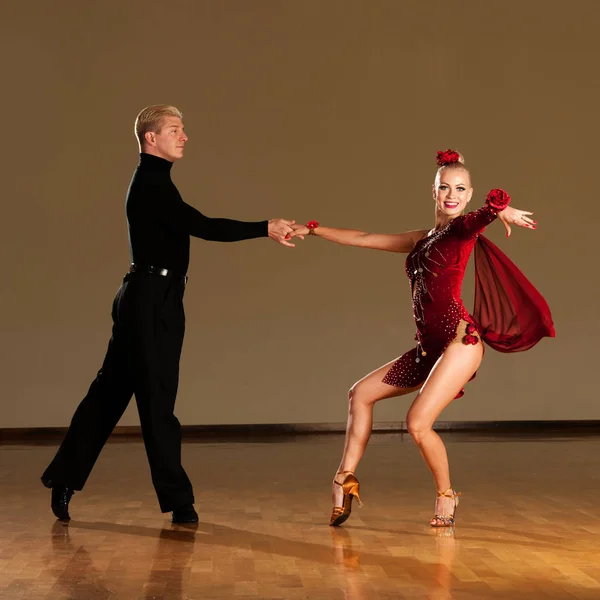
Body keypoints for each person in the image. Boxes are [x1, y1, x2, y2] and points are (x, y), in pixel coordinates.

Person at [41, 105, 297, 523]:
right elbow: (201, 224)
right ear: (151, 139)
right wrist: (264, 226)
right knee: (155, 400)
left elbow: (189, 224)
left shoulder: (155, 182)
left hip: (145, 297)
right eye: (175, 130)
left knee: (108, 395)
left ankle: (64, 480)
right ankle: (179, 502)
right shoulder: (151, 185)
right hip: (151, 300)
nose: (184, 136)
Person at [288, 150, 554, 527]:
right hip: (428, 349)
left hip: (461, 342)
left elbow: (482, 216)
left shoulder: (462, 230)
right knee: (360, 394)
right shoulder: (420, 238)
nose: (452, 194)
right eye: (444, 187)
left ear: (469, 193)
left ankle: (447, 495)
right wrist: (314, 230)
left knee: (417, 423)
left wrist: (500, 211)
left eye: (460, 189)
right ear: (433, 191)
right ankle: (343, 479)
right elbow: (363, 237)